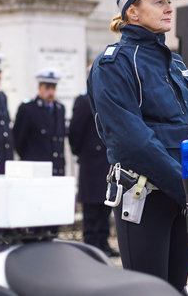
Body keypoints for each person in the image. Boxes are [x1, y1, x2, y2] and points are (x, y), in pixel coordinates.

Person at [87, 0, 188, 290]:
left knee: (183, 287)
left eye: (169, 1)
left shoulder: (174, 62)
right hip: (147, 195)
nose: (168, 8)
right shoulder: (114, 63)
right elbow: (131, 141)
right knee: (149, 289)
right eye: (158, 1)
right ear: (132, 12)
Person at [68, 88, 119, 258]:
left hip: (106, 161)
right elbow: (75, 132)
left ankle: (103, 243)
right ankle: (92, 246)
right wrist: (83, 152)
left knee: (105, 206)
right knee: (91, 208)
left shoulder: (110, 97)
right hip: (91, 162)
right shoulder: (84, 101)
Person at [13, 69, 66, 176]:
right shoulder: (28, 109)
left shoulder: (60, 109)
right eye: (47, 88)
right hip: (35, 168)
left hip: (56, 168)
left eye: (53, 88)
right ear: (39, 88)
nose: (51, 92)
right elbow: (18, 139)